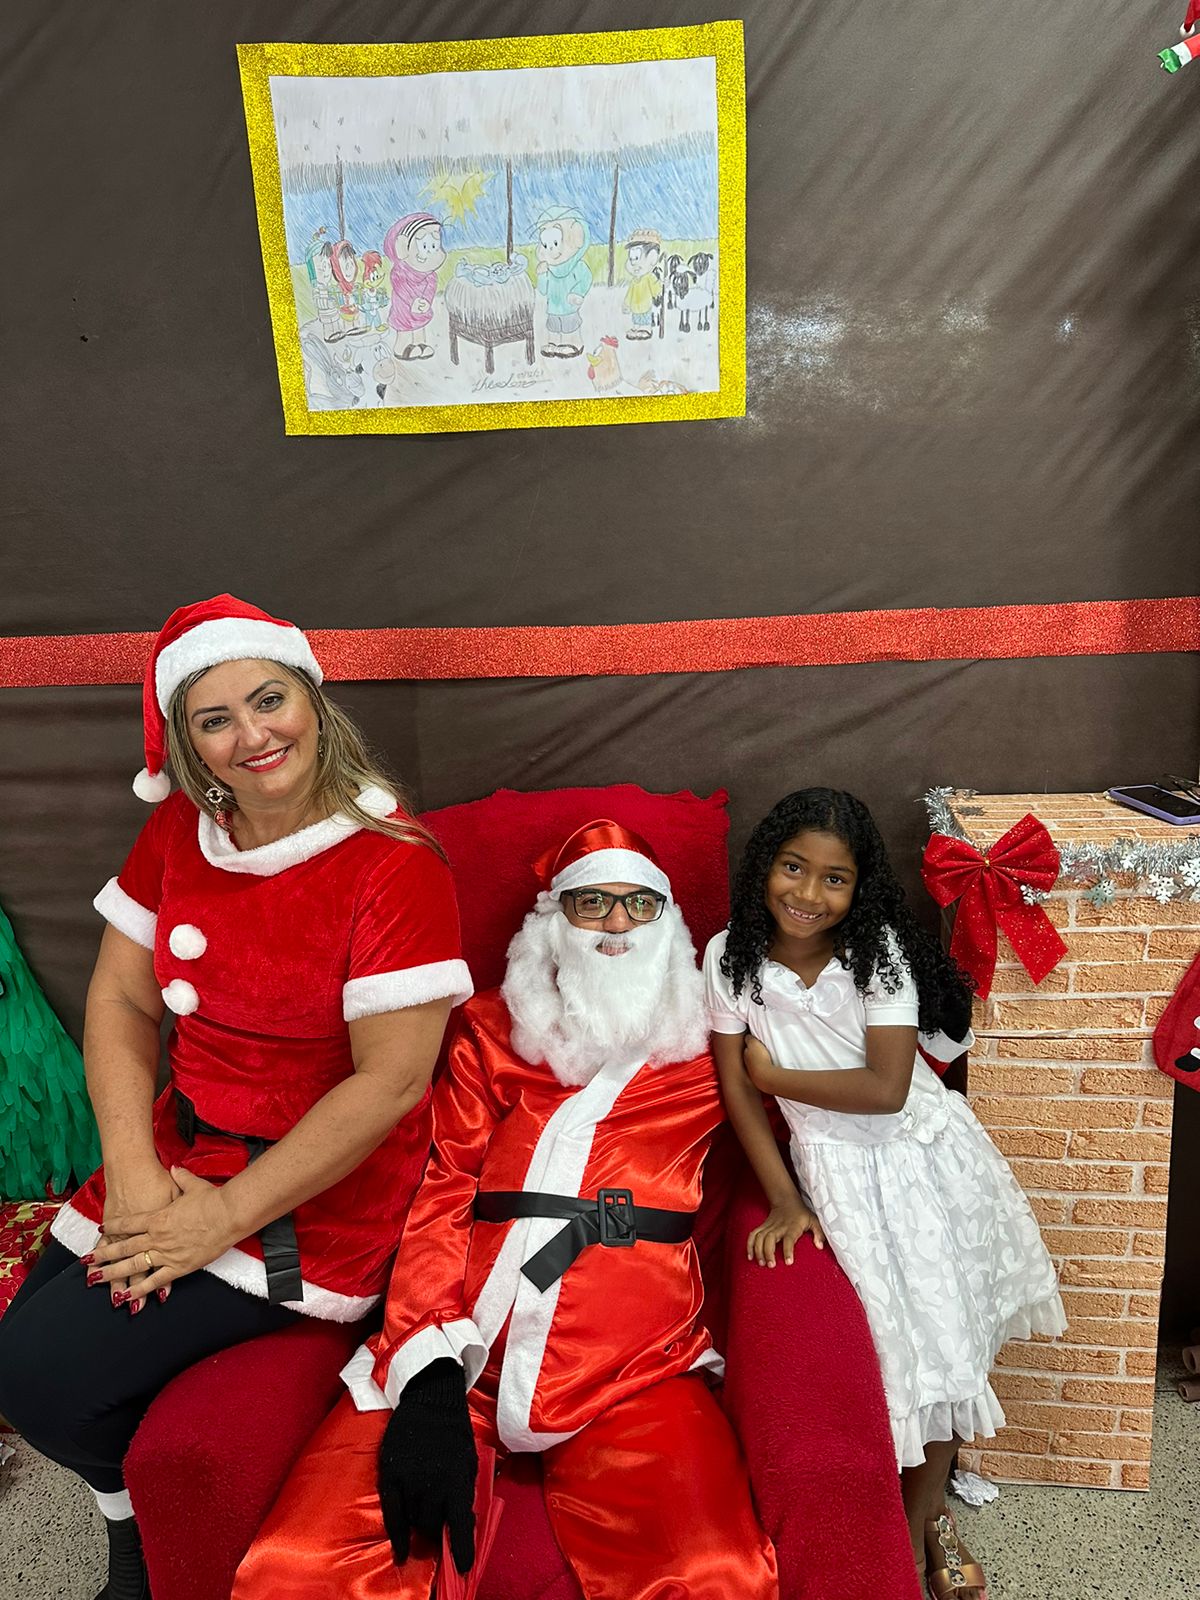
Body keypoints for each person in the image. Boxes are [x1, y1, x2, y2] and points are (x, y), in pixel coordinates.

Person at [0, 594, 471, 1600]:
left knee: (40, 1377)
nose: (253, 735)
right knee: (28, 1353)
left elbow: (391, 1082)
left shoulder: (393, 864)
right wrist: (134, 1174)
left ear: (311, 699)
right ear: (188, 743)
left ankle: (138, 1541)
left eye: (268, 700)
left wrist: (217, 1219)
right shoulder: (184, 826)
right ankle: (132, 1527)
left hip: (310, 1197)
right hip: (183, 1148)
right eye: (216, 719)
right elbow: (122, 997)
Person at [233, 819, 779, 1600]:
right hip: (464, 1353)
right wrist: (427, 1371)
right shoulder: (491, 1030)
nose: (616, 925)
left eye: (638, 904)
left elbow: (838, 1086)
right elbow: (442, 1189)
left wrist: (925, 1036)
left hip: (635, 1367)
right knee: (304, 1564)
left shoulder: (708, 1048)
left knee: (708, 1572)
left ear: (669, 922)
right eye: (591, 903)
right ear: (555, 920)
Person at [704, 788, 1065, 1600]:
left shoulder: (879, 956)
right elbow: (734, 1090)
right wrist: (784, 1196)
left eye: (834, 879)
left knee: (942, 1348)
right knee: (891, 1358)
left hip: (919, 1162)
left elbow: (886, 1090)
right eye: (793, 867)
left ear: (859, 888)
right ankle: (903, 1519)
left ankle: (916, 1530)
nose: (807, 893)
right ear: (764, 866)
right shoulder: (730, 956)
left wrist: (776, 1076)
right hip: (833, 1170)